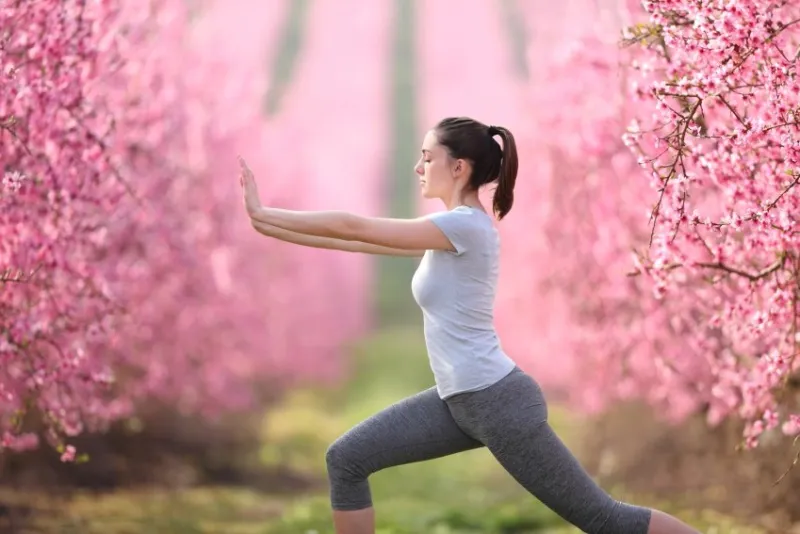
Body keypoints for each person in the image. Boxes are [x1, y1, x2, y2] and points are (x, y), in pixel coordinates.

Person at [238, 116, 701, 534]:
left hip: (497, 403)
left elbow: (355, 227)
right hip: (458, 402)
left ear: (458, 168)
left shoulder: (464, 228)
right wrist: (266, 225)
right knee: (347, 458)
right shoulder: (448, 232)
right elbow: (356, 244)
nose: (418, 169)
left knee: (605, 520)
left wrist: (267, 213)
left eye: (427, 158)